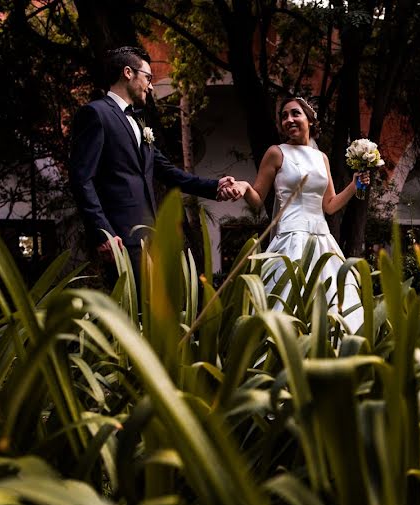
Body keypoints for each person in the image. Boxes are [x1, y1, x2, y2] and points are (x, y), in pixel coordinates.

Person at [69, 46, 239, 286]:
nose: (150, 86)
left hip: (149, 235)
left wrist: (215, 186)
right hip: (119, 238)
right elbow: (81, 178)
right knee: (129, 314)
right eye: (148, 77)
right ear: (128, 72)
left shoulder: (139, 121)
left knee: (152, 314)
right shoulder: (95, 114)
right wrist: (103, 232)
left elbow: (167, 171)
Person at [227, 97, 367, 332]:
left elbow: (330, 206)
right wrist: (243, 187)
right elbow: (257, 199)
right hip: (290, 240)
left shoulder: (321, 157)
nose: (289, 120)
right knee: (286, 301)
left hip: (323, 241)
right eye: (284, 116)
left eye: (295, 114)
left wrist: (354, 186)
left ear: (310, 120)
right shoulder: (276, 153)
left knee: (334, 303)